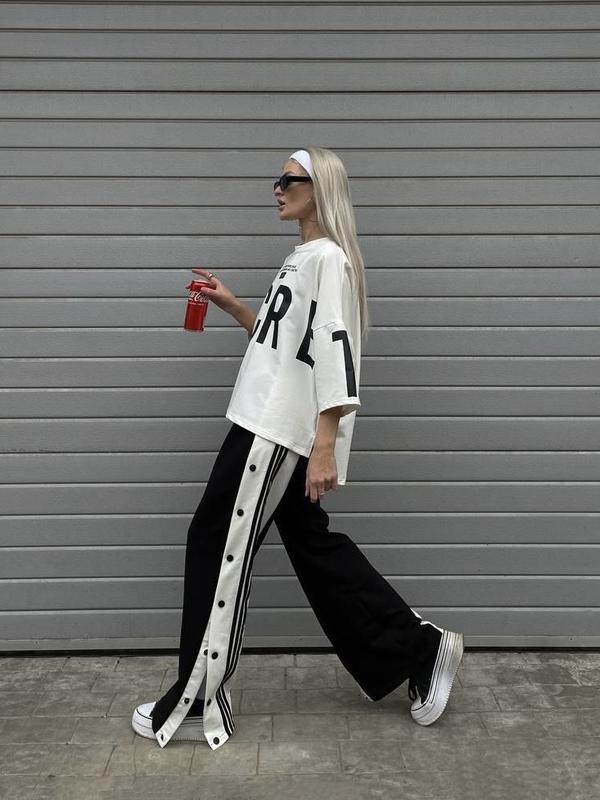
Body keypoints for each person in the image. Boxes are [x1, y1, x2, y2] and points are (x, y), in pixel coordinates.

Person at [131, 147, 464, 751]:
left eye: (289, 179)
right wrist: (234, 305)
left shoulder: (328, 258)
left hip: (273, 432)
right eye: (277, 179)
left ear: (320, 187)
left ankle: (197, 696)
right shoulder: (302, 257)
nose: (277, 188)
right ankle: (420, 649)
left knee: (215, 544)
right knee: (313, 548)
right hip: (267, 423)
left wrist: (326, 443)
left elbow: (336, 348)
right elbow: (287, 344)